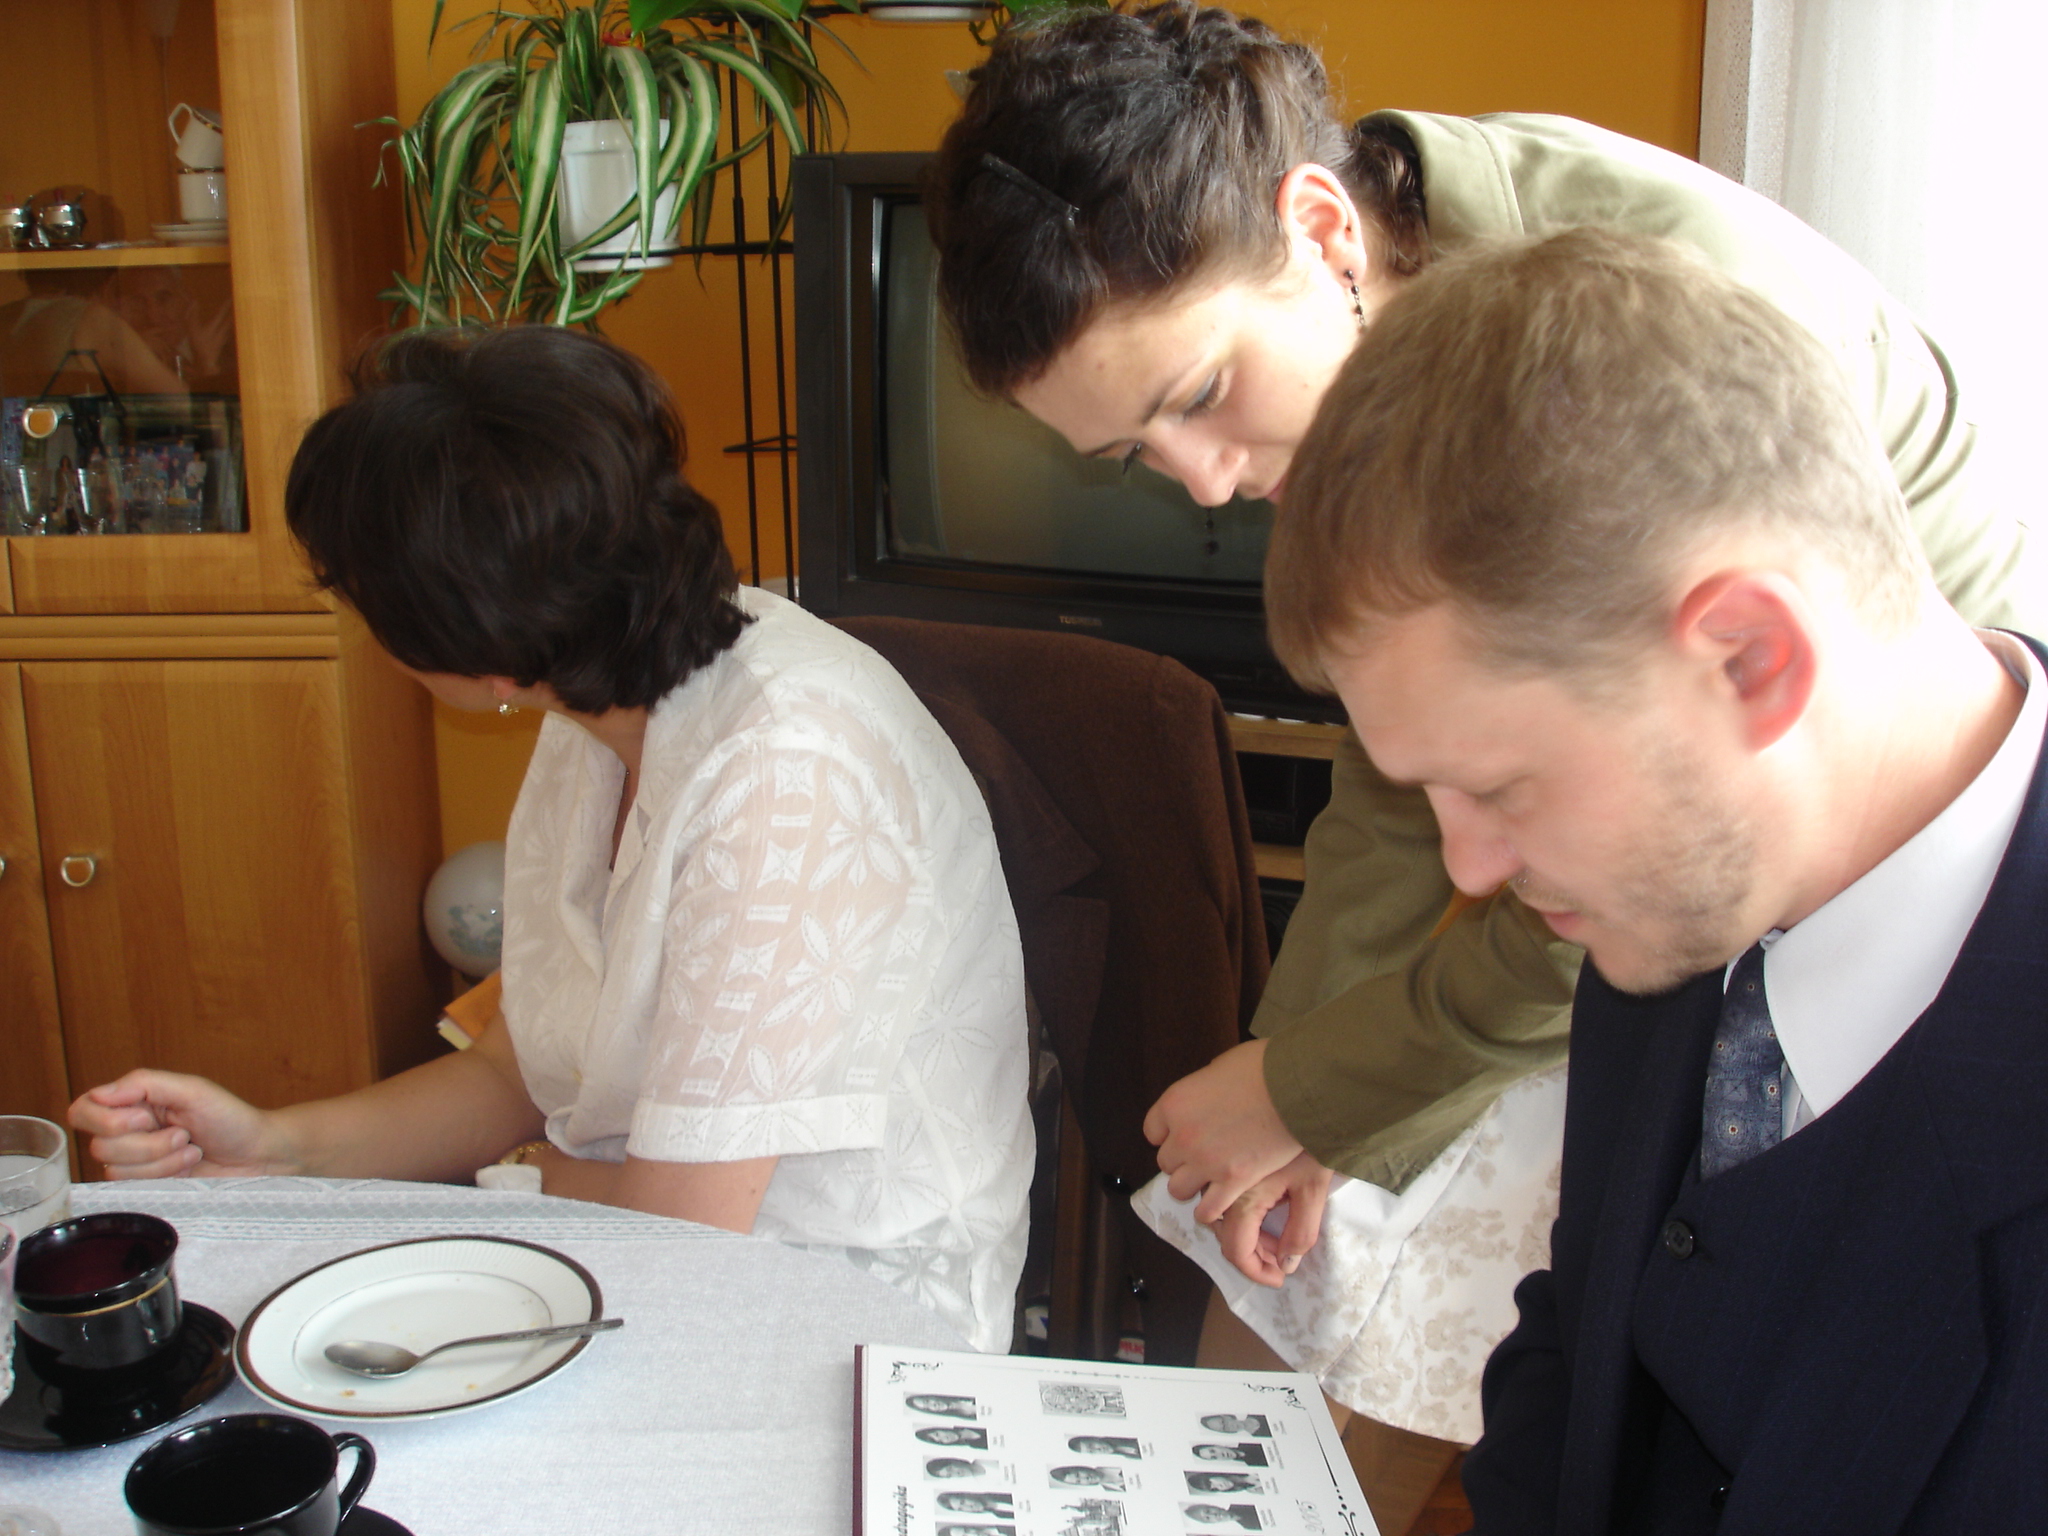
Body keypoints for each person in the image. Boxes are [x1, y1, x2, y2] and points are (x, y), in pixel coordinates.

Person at [924, 0, 2042, 1435]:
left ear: (1320, 229)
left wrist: (1317, 1093)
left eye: (1198, 396)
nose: (1201, 482)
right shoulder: (1362, 340)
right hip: (1661, 796)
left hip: (1852, 844)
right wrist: (1292, 1085)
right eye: (1135, 454)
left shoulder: (1628, 335)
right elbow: (1406, 780)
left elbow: (1649, 841)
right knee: (1324, 1219)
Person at [1267, 227, 2047, 1530]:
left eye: (1502, 786)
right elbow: (1583, 1362)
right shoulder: (1681, 895)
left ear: (1749, 656)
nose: (1471, 868)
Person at [66, 326, 1033, 1353]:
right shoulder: (600, 696)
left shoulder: (788, 775)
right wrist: (272, 1147)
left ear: (481, 652)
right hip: (629, 1235)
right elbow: (516, 1071)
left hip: (835, 1310)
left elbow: (685, 1242)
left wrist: (532, 1174)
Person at [917, 1426, 991, 1449]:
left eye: (937, 1434)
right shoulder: (973, 1445)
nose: (945, 1438)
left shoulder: (965, 1423)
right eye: (940, 1441)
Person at [1068, 1435, 1141, 1458]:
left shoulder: (1126, 1436)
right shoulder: (1125, 1456)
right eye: (1091, 1451)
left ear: (1095, 1439)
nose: (1098, 1449)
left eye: (1091, 1445)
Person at [1197, 1414, 1267, 1437]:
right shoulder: (1256, 1437)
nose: (1229, 1426)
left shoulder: (1255, 1413)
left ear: (1226, 1416)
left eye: (1223, 1422)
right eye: (1224, 1428)